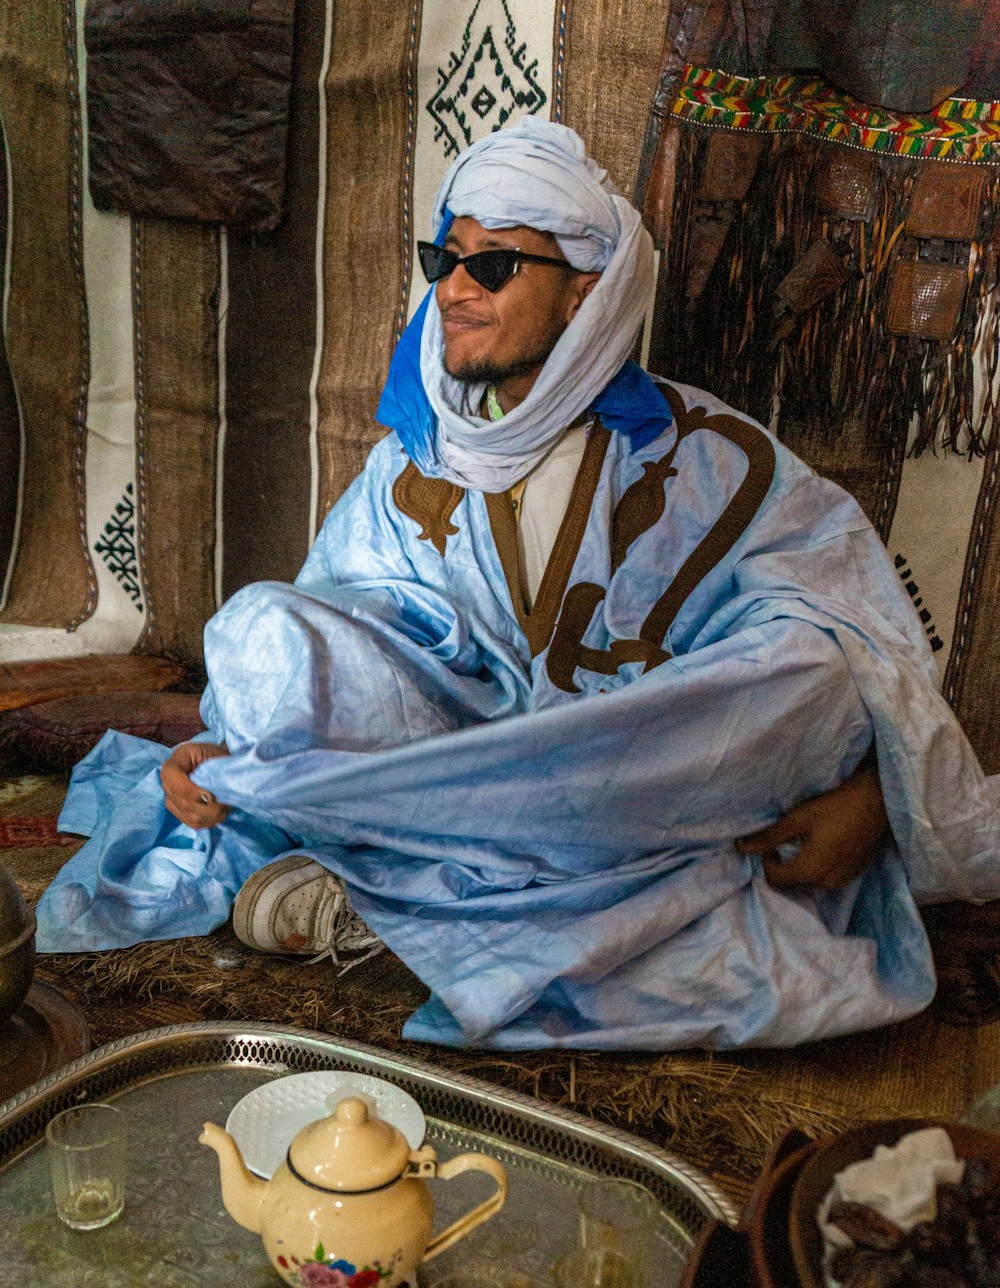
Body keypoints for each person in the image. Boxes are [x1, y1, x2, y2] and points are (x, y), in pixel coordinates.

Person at [36, 118, 1000, 1051]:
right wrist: (227, 747)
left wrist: (875, 799)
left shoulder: (713, 454)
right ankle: (479, 886)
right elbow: (335, 632)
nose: (453, 289)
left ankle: (396, 887)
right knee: (256, 630)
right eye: (443, 260)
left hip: (629, 774)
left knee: (810, 668)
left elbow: (856, 635)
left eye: (492, 263)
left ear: (586, 290)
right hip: (457, 760)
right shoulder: (409, 464)